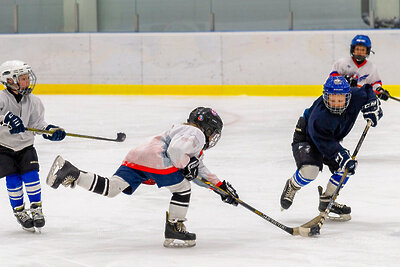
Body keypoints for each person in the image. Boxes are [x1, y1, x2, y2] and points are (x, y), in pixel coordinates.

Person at [46, 107, 239, 248]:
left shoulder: (184, 131)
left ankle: (73, 173)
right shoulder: (196, 133)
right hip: (157, 159)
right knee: (182, 188)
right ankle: (174, 227)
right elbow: (177, 151)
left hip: (138, 155)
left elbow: (199, 170)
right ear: (206, 127)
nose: (212, 137)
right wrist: (185, 165)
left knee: (112, 188)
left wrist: (219, 187)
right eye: (213, 132)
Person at [280, 76, 383, 221]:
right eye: (332, 100)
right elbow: (325, 144)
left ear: (348, 96)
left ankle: (327, 200)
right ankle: (293, 185)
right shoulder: (319, 117)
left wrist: (373, 106)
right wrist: (342, 156)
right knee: (311, 170)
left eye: (340, 100)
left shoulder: (355, 96)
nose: (336, 104)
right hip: (308, 137)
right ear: (325, 97)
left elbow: (368, 91)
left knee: (348, 168)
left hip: (329, 138)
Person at [0, 60, 66, 232]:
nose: (27, 81)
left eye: (27, 77)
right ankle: (20, 211)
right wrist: (5, 118)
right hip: (4, 148)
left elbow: (38, 124)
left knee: (31, 176)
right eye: (22, 78)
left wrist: (50, 131)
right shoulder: (1, 99)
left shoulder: (34, 101)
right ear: (9, 80)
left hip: (26, 147)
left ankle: (36, 209)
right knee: (13, 180)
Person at [330, 34, 391, 101]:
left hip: (361, 99)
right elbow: (332, 78)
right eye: (357, 49)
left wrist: (380, 91)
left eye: (363, 50)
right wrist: (344, 80)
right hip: (342, 98)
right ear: (353, 49)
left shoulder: (371, 67)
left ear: (367, 51)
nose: (359, 52)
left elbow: (375, 83)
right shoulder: (342, 63)